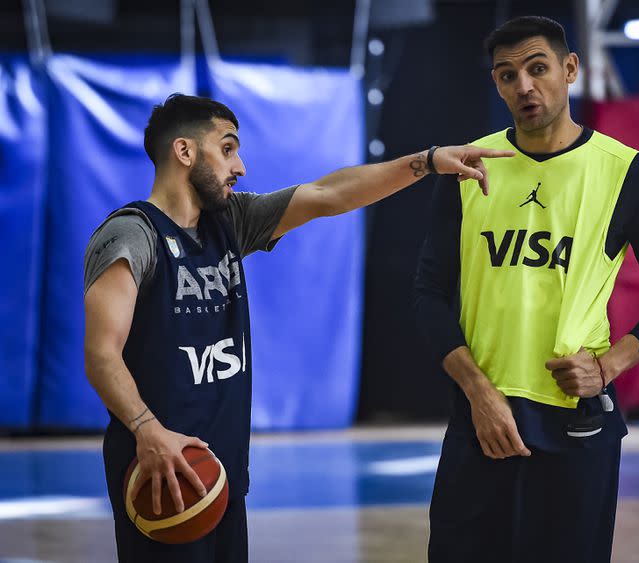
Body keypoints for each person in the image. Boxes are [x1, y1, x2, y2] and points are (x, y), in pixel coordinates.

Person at [83, 93, 515, 562]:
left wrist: (428, 162)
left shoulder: (229, 222)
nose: (240, 166)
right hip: (158, 468)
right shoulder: (132, 234)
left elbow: (327, 195)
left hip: (221, 472)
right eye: (227, 148)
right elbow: (101, 354)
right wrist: (147, 430)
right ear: (184, 152)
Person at [414, 15, 639, 563]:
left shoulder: (625, 172)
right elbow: (428, 294)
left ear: (570, 69)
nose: (524, 86)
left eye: (537, 68)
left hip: (577, 423)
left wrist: (610, 365)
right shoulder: (468, 167)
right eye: (506, 75)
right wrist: (477, 391)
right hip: (484, 416)